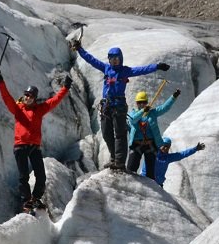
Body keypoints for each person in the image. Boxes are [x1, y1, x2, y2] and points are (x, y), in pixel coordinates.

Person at [70, 39, 170, 170]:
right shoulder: (106, 68)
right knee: (106, 133)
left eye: (116, 58)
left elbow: (142, 70)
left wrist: (156, 66)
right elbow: (91, 60)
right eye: (111, 58)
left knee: (120, 134)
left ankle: (119, 161)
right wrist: (79, 49)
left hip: (119, 106)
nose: (114, 60)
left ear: (120, 58)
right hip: (106, 106)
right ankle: (114, 157)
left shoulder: (125, 71)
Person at [0, 68, 72, 214]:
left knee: (41, 176)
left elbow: (54, 101)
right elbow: (6, 97)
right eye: (26, 94)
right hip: (20, 146)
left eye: (30, 96)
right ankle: (26, 201)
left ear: (35, 98)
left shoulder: (39, 110)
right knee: (23, 176)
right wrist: (0, 80)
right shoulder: (17, 109)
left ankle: (35, 198)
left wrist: (65, 88)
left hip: (34, 147)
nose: (27, 97)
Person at [126, 89, 180, 177]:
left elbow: (164, 108)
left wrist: (173, 97)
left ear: (147, 102)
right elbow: (133, 120)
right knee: (131, 168)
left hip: (150, 145)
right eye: (139, 102)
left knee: (150, 172)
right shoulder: (132, 113)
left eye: (144, 102)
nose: (142, 104)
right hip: (137, 145)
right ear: (136, 103)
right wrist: (143, 111)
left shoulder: (152, 113)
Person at [140, 138, 205, 187]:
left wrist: (195, 149)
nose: (166, 148)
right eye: (164, 145)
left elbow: (182, 154)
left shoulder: (168, 158)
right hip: (147, 182)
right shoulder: (151, 154)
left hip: (158, 185)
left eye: (168, 147)